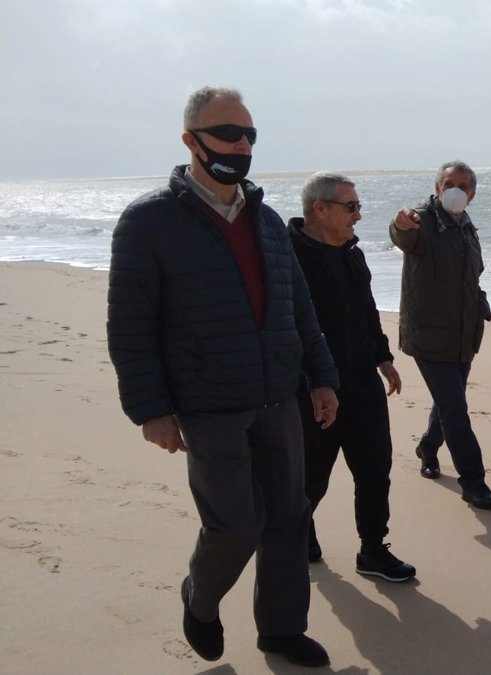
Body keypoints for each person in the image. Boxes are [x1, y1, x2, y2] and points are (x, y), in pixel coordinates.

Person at [107, 87, 337, 667]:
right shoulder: (148, 222)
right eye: (228, 134)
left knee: (288, 517)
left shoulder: (267, 221)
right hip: (207, 402)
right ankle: (200, 597)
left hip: (278, 395)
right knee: (234, 525)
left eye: (249, 135)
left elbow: (299, 308)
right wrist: (151, 410)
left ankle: (281, 630)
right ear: (191, 140)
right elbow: (130, 325)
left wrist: (321, 377)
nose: (242, 146)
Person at [289, 172, 416, 583]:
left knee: (375, 468)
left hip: (362, 381)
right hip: (312, 388)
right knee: (312, 477)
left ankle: (373, 550)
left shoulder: (352, 254)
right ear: (320, 209)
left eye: (358, 206)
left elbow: (366, 309)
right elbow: (285, 328)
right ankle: (298, 534)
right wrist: (312, 380)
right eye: (351, 207)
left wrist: (383, 357)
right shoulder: (288, 259)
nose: (358, 215)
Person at [389, 161, 491, 510]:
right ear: (437, 188)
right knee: (455, 408)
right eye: (449, 183)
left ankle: (427, 446)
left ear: (472, 194)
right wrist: (399, 223)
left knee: (448, 401)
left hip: (464, 334)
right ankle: (474, 482)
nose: (456, 190)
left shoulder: (467, 228)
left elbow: (472, 277)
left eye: (463, 186)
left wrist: (480, 304)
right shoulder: (422, 221)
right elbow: (403, 235)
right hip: (428, 335)